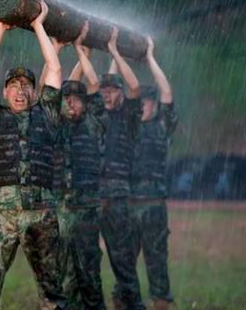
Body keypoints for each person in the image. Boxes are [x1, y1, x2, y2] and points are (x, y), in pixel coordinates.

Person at [0, 0, 65, 310]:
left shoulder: (48, 114)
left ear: (34, 92)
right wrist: (0, 28)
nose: (21, 91)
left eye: (27, 85)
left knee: (52, 293)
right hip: (0, 212)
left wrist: (38, 24)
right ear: (5, 91)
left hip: (42, 211)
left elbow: (54, 68)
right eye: (13, 85)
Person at [54, 23, 106, 309]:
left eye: (77, 101)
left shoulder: (95, 122)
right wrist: (73, 51)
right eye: (68, 101)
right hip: (62, 209)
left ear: (86, 105)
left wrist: (79, 49)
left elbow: (94, 86)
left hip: (86, 211)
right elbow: (55, 89)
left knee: (90, 274)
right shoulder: (58, 125)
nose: (72, 105)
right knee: (64, 275)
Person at [95, 29, 144, 310]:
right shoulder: (96, 116)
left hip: (117, 196)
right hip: (91, 195)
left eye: (112, 90)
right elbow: (90, 85)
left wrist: (114, 51)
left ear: (120, 95)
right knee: (87, 258)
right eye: (103, 90)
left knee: (123, 259)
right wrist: (88, 51)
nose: (106, 94)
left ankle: (132, 304)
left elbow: (135, 88)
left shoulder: (129, 117)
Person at [129, 37, 177, 310]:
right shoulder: (124, 127)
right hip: (128, 202)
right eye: (140, 104)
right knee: (125, 258)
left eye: (147, 103)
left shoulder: (162, 128)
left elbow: (167, 92)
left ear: (154, 106)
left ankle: (160, 301)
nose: (143, 107)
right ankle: (125, 300)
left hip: (154, 204)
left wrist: (149, 59)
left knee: (156, 256)